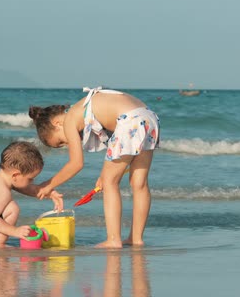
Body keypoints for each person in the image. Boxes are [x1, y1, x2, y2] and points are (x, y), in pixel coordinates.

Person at [29, 86, 160, 248]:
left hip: (130, 121)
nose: (67, 142)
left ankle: (113, 240)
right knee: (139, 183)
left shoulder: (69, 119)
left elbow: (76, 164)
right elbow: (116, 138)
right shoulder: (82, 108)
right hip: (148, 117)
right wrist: (105, 173)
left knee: (111, 182)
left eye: (60, 141)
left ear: (57, 123)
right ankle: (136, 238)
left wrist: (48, 185)